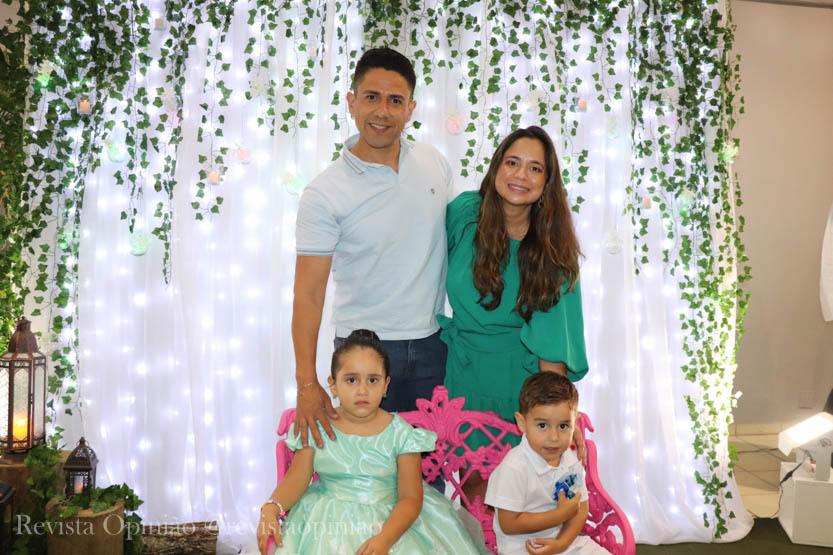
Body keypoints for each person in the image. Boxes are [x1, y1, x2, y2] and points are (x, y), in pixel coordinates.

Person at [293, 47, 452, 448]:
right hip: (362, 353)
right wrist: (307, 383)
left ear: (411, 108)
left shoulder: (433, 163)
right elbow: (308, 294)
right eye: (371, 97)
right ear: (352, 102)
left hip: (434, 344)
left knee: (429, 471)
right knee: (363, 471)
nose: (383, 111)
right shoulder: (324, 192)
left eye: (395, 100)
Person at [439, 125, 589, 502]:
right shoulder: (464, 213)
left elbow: (553, 346)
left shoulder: (553, 250)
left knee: (520, 492)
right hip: (461, 372)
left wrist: (558, 419)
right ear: (496, 167)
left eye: (535, 168)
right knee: (473, 492)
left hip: (518, 384)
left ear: (547, 182)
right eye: (512, 163)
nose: (521, 175)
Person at [257, 330, 485, 555]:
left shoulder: (402, 435)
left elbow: (411, 498)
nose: (362, 390)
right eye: (351, 380)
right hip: (326, 524)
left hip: (393, 524)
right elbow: (296, 478)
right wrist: (272, 507)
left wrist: (385, 539)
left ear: (385, 385)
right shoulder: (318, 428)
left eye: (373, 380)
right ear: (333, 385)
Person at [484, 372, 610, 555]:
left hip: (565, 542)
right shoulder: (514, 467)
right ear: (522, 423)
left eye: (563, 426)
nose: (554, 437)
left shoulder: (570, 459)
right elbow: (509, 524)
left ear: (574, 424)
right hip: (524, 548)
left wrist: (561, 543)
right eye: (542, 426)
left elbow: (581, 509)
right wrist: (560, 515)